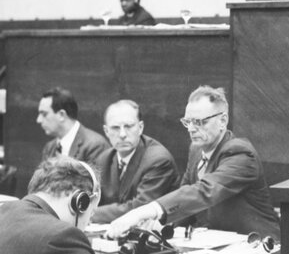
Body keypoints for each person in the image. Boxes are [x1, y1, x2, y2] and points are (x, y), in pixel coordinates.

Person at [106, 86, 280, 239]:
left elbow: (203, 191)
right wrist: (160, 224)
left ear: (223, 120)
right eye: (187, 121)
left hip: (256, 245)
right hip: (215, 244)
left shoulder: (241, 154)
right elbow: (185, 194)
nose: (190, 129)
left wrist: (143, 211)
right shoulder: (196, 150)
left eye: (199, 122)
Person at [92, 100, 179, 223]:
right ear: (106, 131)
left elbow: (140, 208)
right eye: (115, 128)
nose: (122, 134)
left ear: (140, 127)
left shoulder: (158, 160)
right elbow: (92, 199)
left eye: (128, 126)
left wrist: (89, 213)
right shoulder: (103, 159)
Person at [0, 156, 101, 253]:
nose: (88, 223)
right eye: (91, 212)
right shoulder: (64, 238)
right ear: (80, 201)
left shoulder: (4, 210)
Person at [39, 87, 110, 165]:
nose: (38, 120)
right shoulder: (49, 148)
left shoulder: (95, 146)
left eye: (44, 114)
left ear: (61, 115)